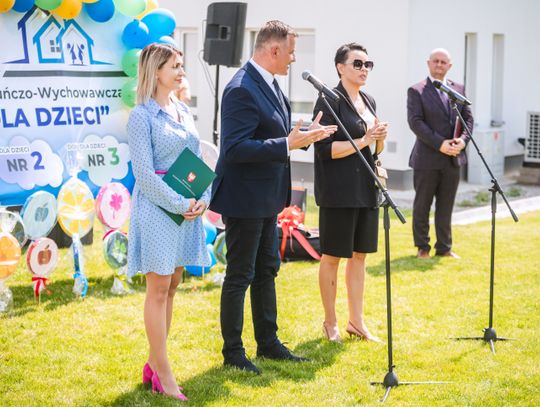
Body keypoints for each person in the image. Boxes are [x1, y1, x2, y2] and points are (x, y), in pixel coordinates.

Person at [210, 20, 336, 374]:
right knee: (240, 275)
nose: (294, 59)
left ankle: (268, 343)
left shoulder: (270, 83)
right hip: (244, 198)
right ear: (274, 49)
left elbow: (273, 129)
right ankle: (233, 353)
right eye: (291, 52)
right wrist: (286, 144)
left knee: (267, 270)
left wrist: (306, 134)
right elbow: (234, 148)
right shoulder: (240, 88)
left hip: (266, 197)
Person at [127, 43, 210, 400]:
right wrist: (179, 203)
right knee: (158, 289)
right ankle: (164, 373)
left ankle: (152, 363)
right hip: (158, 209)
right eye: (174, 66)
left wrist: (203, 198)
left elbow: (197, 160)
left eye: (181, 65)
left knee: (173, 284)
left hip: (187, 206)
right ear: (155, 71)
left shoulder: (183, 110)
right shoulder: (141, 116)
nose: (181, 72)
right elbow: (144, 175)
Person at [313, 43, 388, 343]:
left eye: (368, 64)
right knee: (332, 256)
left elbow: (374, 150)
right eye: (357, 64)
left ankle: (356, 322)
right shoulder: (328, 100)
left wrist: (379, 139)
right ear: (340, 67)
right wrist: (365, 139)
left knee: (360, 256)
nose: (364, 69)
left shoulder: (368, 100)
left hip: (366, 188)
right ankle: (330, 322)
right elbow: (325, 150)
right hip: (338, 190)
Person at [407, 48, 474, 259]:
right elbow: (416, 122)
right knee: (422, 206)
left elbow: (468, 119)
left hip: (453, 159)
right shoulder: (417, 90)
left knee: (446, 207)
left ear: (449, 66)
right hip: (426, 160)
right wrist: (440, 144)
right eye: (435, 61)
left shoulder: (458, 89)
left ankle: (444, 248)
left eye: (443, 62)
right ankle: (422, 248)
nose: (439, 65)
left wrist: (462, 141)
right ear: (428, 63)